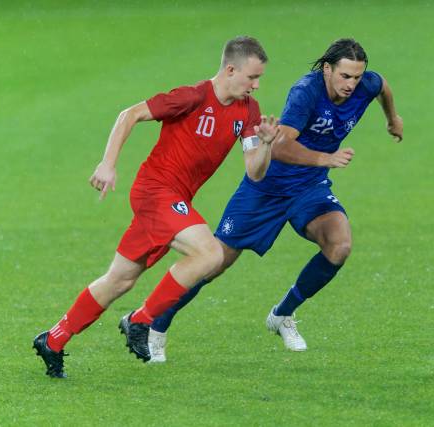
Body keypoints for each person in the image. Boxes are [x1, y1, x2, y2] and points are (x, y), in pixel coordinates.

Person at [32, 36, 279, 378]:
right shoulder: (192, 97)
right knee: (210, 254)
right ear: (231, 69)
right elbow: (129, 114)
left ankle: (54, 339)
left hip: (175, 201)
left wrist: (265, 145)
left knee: (119, 280)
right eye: (252, 77)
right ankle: (140, 321)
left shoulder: (248, 111)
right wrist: (108, 164)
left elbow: (255, 171)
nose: (256, 84)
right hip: (156, 191)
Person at [146, 38, 403, 362]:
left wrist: (392, 118)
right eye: (345, 76)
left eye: (356, 77)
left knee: (339, 245)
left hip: (309, 186)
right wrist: (325, 158)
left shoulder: (367, 83)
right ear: (327, 69)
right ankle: (157, 323)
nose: (351, 84)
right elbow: (279, 147)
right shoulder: (305, 93)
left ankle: (282, 315)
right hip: (266, 186)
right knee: (214, 262)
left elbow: (383, 87)